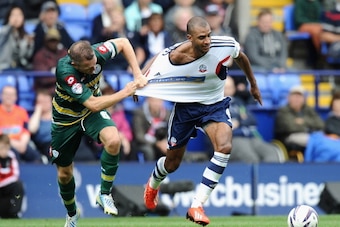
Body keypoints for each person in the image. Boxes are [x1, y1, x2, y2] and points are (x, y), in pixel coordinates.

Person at [135, 16, 262, 225]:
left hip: (215, 105)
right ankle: (153, 183)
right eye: (202, 37)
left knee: (224, 147)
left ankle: (196, 205)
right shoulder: (176, 55)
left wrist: (253, 84)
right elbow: (156, 60)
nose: (207, 41)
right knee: (172, 163)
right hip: (185, 108)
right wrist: (141, 82)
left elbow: (242, 57)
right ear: (189, 38)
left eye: (209, 35)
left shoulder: (224, 45)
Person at [50, 38, 147, 227]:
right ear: (74, 64)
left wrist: (137, 75)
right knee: (64, 174)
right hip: (66, 120)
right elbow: (93, 105)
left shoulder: (97, 53)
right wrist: (126, 91)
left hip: (89, 114)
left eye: (95, 63)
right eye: (88, 67)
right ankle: (72, 215)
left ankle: (104, 193)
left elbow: (125, 43)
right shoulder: (65, 72)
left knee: (114, 140)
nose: (94, 68)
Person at [224, 77, 284, 163]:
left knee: (271, 153)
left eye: (230, 87)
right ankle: (254, 176)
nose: (227, 90)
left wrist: (239, 122)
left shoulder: (239, 102)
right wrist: (241, 122)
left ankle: (268, 176)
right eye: (224, 87)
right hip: (232, 140)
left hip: (249, 137)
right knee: (251, 157)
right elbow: (225, 128)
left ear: (234, 89)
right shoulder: (214, 105)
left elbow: (252, 120)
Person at [274, 85, 324, 154]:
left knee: (324, 139)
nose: (297, 99)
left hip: (311, 135)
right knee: (313, 141)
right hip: (289, 137)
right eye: (294, 96)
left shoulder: (308, 109)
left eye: (299, 96)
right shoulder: (283, 111)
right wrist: (308, 126)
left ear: (304, 99)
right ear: (288, 98)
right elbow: (290, 127)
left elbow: (320, 124)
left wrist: (303, 121)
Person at [0, 85, 42, 163]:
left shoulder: (21, 111)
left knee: (36, 157)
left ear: (15, 97)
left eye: (11, 95)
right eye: (6, 94)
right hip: (4, 145)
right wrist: (13, 143)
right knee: (14, 155)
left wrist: (22, 143)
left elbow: (26, 130)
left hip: (21, 143)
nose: (9, 97)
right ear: (1, 96)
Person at [243, 8, 288, 73]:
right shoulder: (251, 36)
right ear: (258, 21)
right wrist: (271, 68)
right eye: (264, 22)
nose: (266, 24)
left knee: (293, 73)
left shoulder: (279, 35)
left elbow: (283, 54)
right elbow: (253, 57)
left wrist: (281, 66)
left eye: (269, 22)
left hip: (277, 66)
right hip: (258, 67)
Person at [131, 97, 171, 161]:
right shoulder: (139, 113)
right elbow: (139, 137)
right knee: (148, 150)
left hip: (161, 142)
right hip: (144, 144)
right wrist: (157, 143)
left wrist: (166, 142)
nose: (156, 104)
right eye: (153, 101)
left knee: (172, 148)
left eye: (158, 101)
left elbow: (171, 132)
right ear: (148, 101)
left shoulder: (167, 114)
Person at [32, 28, 68, 95]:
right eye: (51, 41)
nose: (53, 43)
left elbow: (70, 71)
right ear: (46, 41)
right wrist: (60, 75)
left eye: (55, 40)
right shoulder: (39, 56)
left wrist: (54, 73)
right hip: (44, 90)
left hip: (63, 87)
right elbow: (43, 79)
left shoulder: (64, 53)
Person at [0, 5, 34, 71]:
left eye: (19, 15)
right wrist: (10, 25)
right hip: (3, 68)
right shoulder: (3, 32)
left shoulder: (26, 35)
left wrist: (29, 45)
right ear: (8, 17)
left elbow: (25, 57)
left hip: (19, 69)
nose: (16, 18)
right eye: (13, 15)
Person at [0, 134, 25, 219]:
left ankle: (15, 213)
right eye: (2, 148)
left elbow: (15, 175)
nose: (4, 151)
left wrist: (4, 178)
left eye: (6, 148)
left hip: (7, 189)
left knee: (18, 185)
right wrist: (7, 176)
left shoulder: (11, 156)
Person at [28, 89, 53, 159]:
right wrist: (38, 111)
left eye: (46, 101)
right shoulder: (35, 118)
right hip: (46, 145)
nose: (44, 104)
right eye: (41, 102)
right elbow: (32, 129)